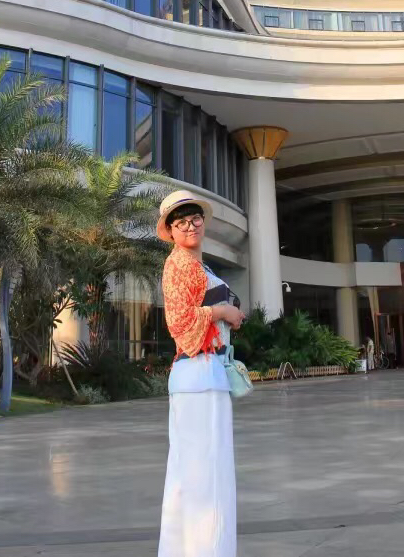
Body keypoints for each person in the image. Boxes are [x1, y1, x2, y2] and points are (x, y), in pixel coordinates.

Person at [157, 190, 244, 557]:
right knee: (207, 477)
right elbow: (179, 323)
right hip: (199, 374)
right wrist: (221, 312)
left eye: (194, 219)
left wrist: (228, 313)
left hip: (205, 375)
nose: (190, 226)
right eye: (181, 222)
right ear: (170, 231)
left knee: (193, 475)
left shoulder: (198, 267)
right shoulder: (179, 265)